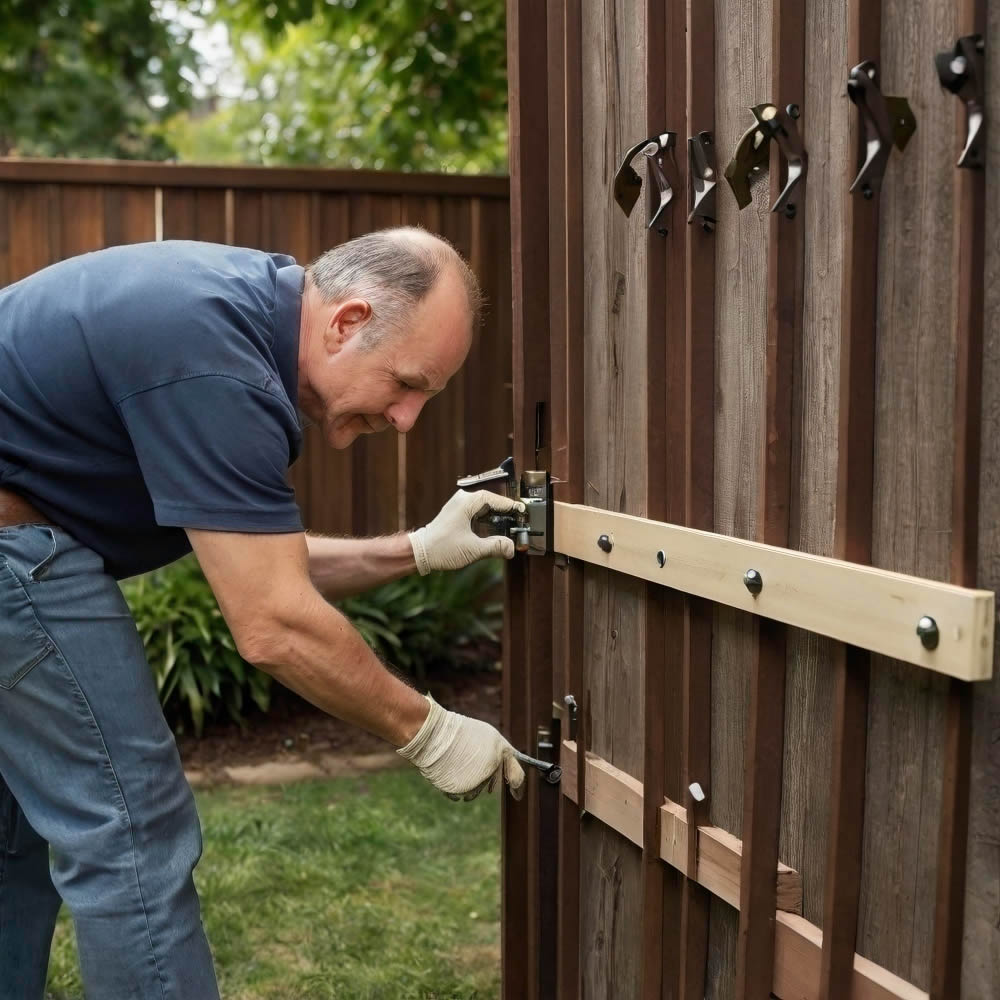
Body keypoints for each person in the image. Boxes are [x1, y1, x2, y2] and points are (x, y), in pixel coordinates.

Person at [0, 229, 526, 1000]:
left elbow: (255, 565)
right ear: (347, 321)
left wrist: (414, 551)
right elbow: (273, 623)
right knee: (131, 831)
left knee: (13, 835)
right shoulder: (217, 361)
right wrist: (431, 733)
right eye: (407, 384)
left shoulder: (226, 319)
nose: (408, 418)